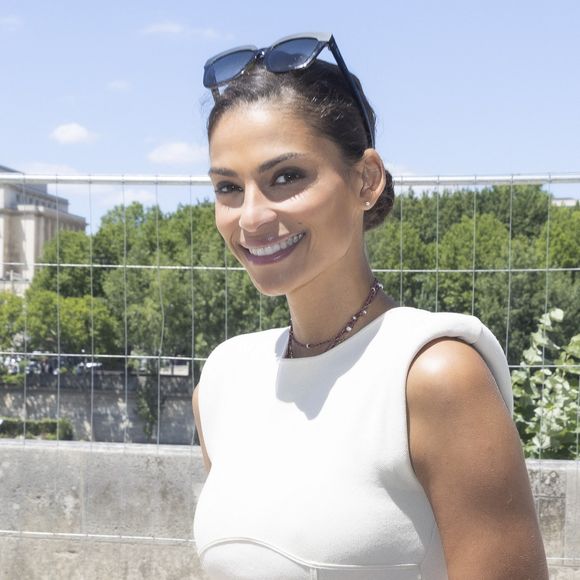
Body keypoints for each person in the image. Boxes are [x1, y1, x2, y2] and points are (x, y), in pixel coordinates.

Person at [192, 33, 548, 579]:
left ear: (366, 179)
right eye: (228, 188)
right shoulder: (223, 381)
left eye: (286, 177)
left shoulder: (433, 374)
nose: (252, 217)